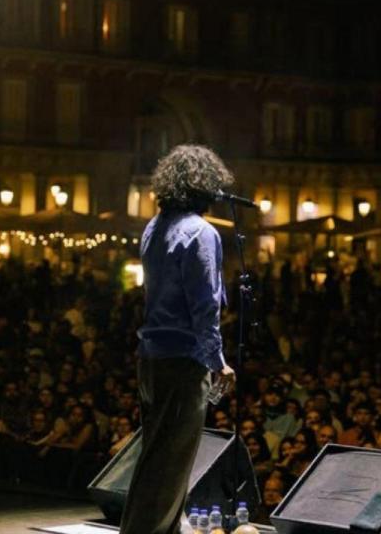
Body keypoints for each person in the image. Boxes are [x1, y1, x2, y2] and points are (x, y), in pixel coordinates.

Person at [118, 144, 236, 534]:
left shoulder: (155, 226)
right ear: (207, 184)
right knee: (171, 465)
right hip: (184, 360)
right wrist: (217, 361)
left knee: (156, 458)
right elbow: (204, 307)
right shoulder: (202, 233)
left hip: (151, 357)